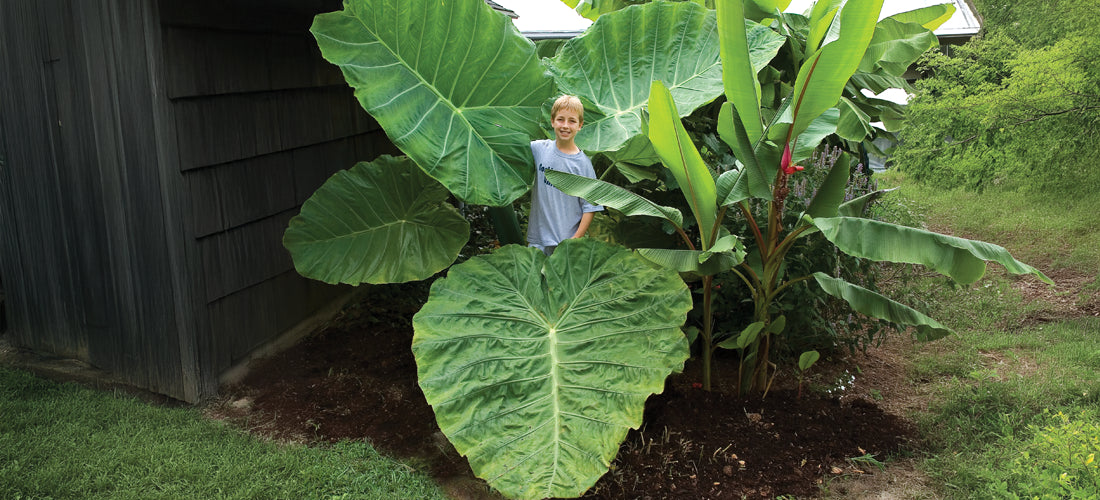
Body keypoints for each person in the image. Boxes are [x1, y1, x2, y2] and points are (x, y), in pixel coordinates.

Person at [527, 95, 603, 256]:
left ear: (580, 125)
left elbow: (590, 207)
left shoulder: (582, 164)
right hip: (538, 239)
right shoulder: (539, 149)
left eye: (572, 121)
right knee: (533, 280)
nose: (565, 126)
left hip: (566, 242)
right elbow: (512, 147)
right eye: (561, 119)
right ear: (552, 121)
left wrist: (575, 239)